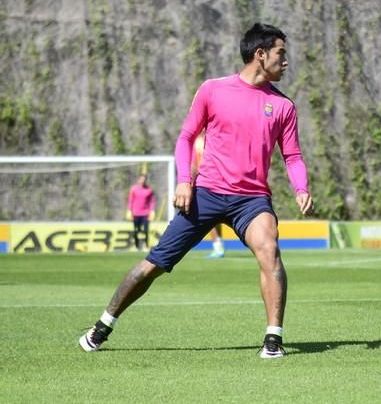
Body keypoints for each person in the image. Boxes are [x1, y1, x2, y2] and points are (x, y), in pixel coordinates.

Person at [79, 23, 313, 358]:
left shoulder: (284, 107)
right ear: (260, 55)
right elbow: (186, 137)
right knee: (153, 265)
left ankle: (273, 339)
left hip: (252, 200)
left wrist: (300, 186)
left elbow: (292, 155)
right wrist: (184, 182)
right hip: (206, 194)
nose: (286, 61)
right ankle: (103, 325)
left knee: (269, 249)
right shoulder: (213, 90)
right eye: (281, 53)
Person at [192, 131, 225, 258]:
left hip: (209, 181)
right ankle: (218, 245)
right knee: (216, 218)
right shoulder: (198, 140)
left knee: (210, 217)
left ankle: (218, 245)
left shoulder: (206, 138)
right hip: (207, 180)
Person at [126, 174, 157, 251]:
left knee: (145, 230)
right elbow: (130, 200)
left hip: (145, 214)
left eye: (144, 179)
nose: (143, 181)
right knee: (136, 230)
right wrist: (129, 210)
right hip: (136, 213)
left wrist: (152, 211)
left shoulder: (149, 190)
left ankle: (146, 246)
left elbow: (152, 201)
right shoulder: (133, 189)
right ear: (138, 180)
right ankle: (137, 246)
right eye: (141, 179)